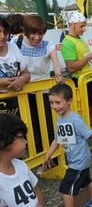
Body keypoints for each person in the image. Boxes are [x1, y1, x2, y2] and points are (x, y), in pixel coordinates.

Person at [0, 113, 67, 207]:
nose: (25, 142)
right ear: (4, 141)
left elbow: (36, 191)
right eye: (21, 137)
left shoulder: (21, 165)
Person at [18, 14, 62, 163]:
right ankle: (39, 159)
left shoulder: (48, 45)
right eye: (34, 33)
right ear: (26, 31)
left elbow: (56, 62)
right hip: (24, 93)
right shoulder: (16, 44)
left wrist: (57, 71)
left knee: (49, 126)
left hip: (44, 92)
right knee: (32, 128)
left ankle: (55, 158)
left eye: (41, 34)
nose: (37, 37)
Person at [60, 11, 92, 131]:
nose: (84, 29)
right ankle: (91, 137)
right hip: (81, 81)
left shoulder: (78, 39)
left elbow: (83, 61)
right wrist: (89, 57)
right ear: (71, 25)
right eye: (81, 26)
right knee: (87, 110)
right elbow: (72, 67)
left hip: (89, 79)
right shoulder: (68, 42)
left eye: (85, 26)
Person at [0, 17, 30, 116]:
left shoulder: (13, 47)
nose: (2, 36)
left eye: (5, 32)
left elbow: (26, 74)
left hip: (17, 102)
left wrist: (22, 79)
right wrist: (15, 81)